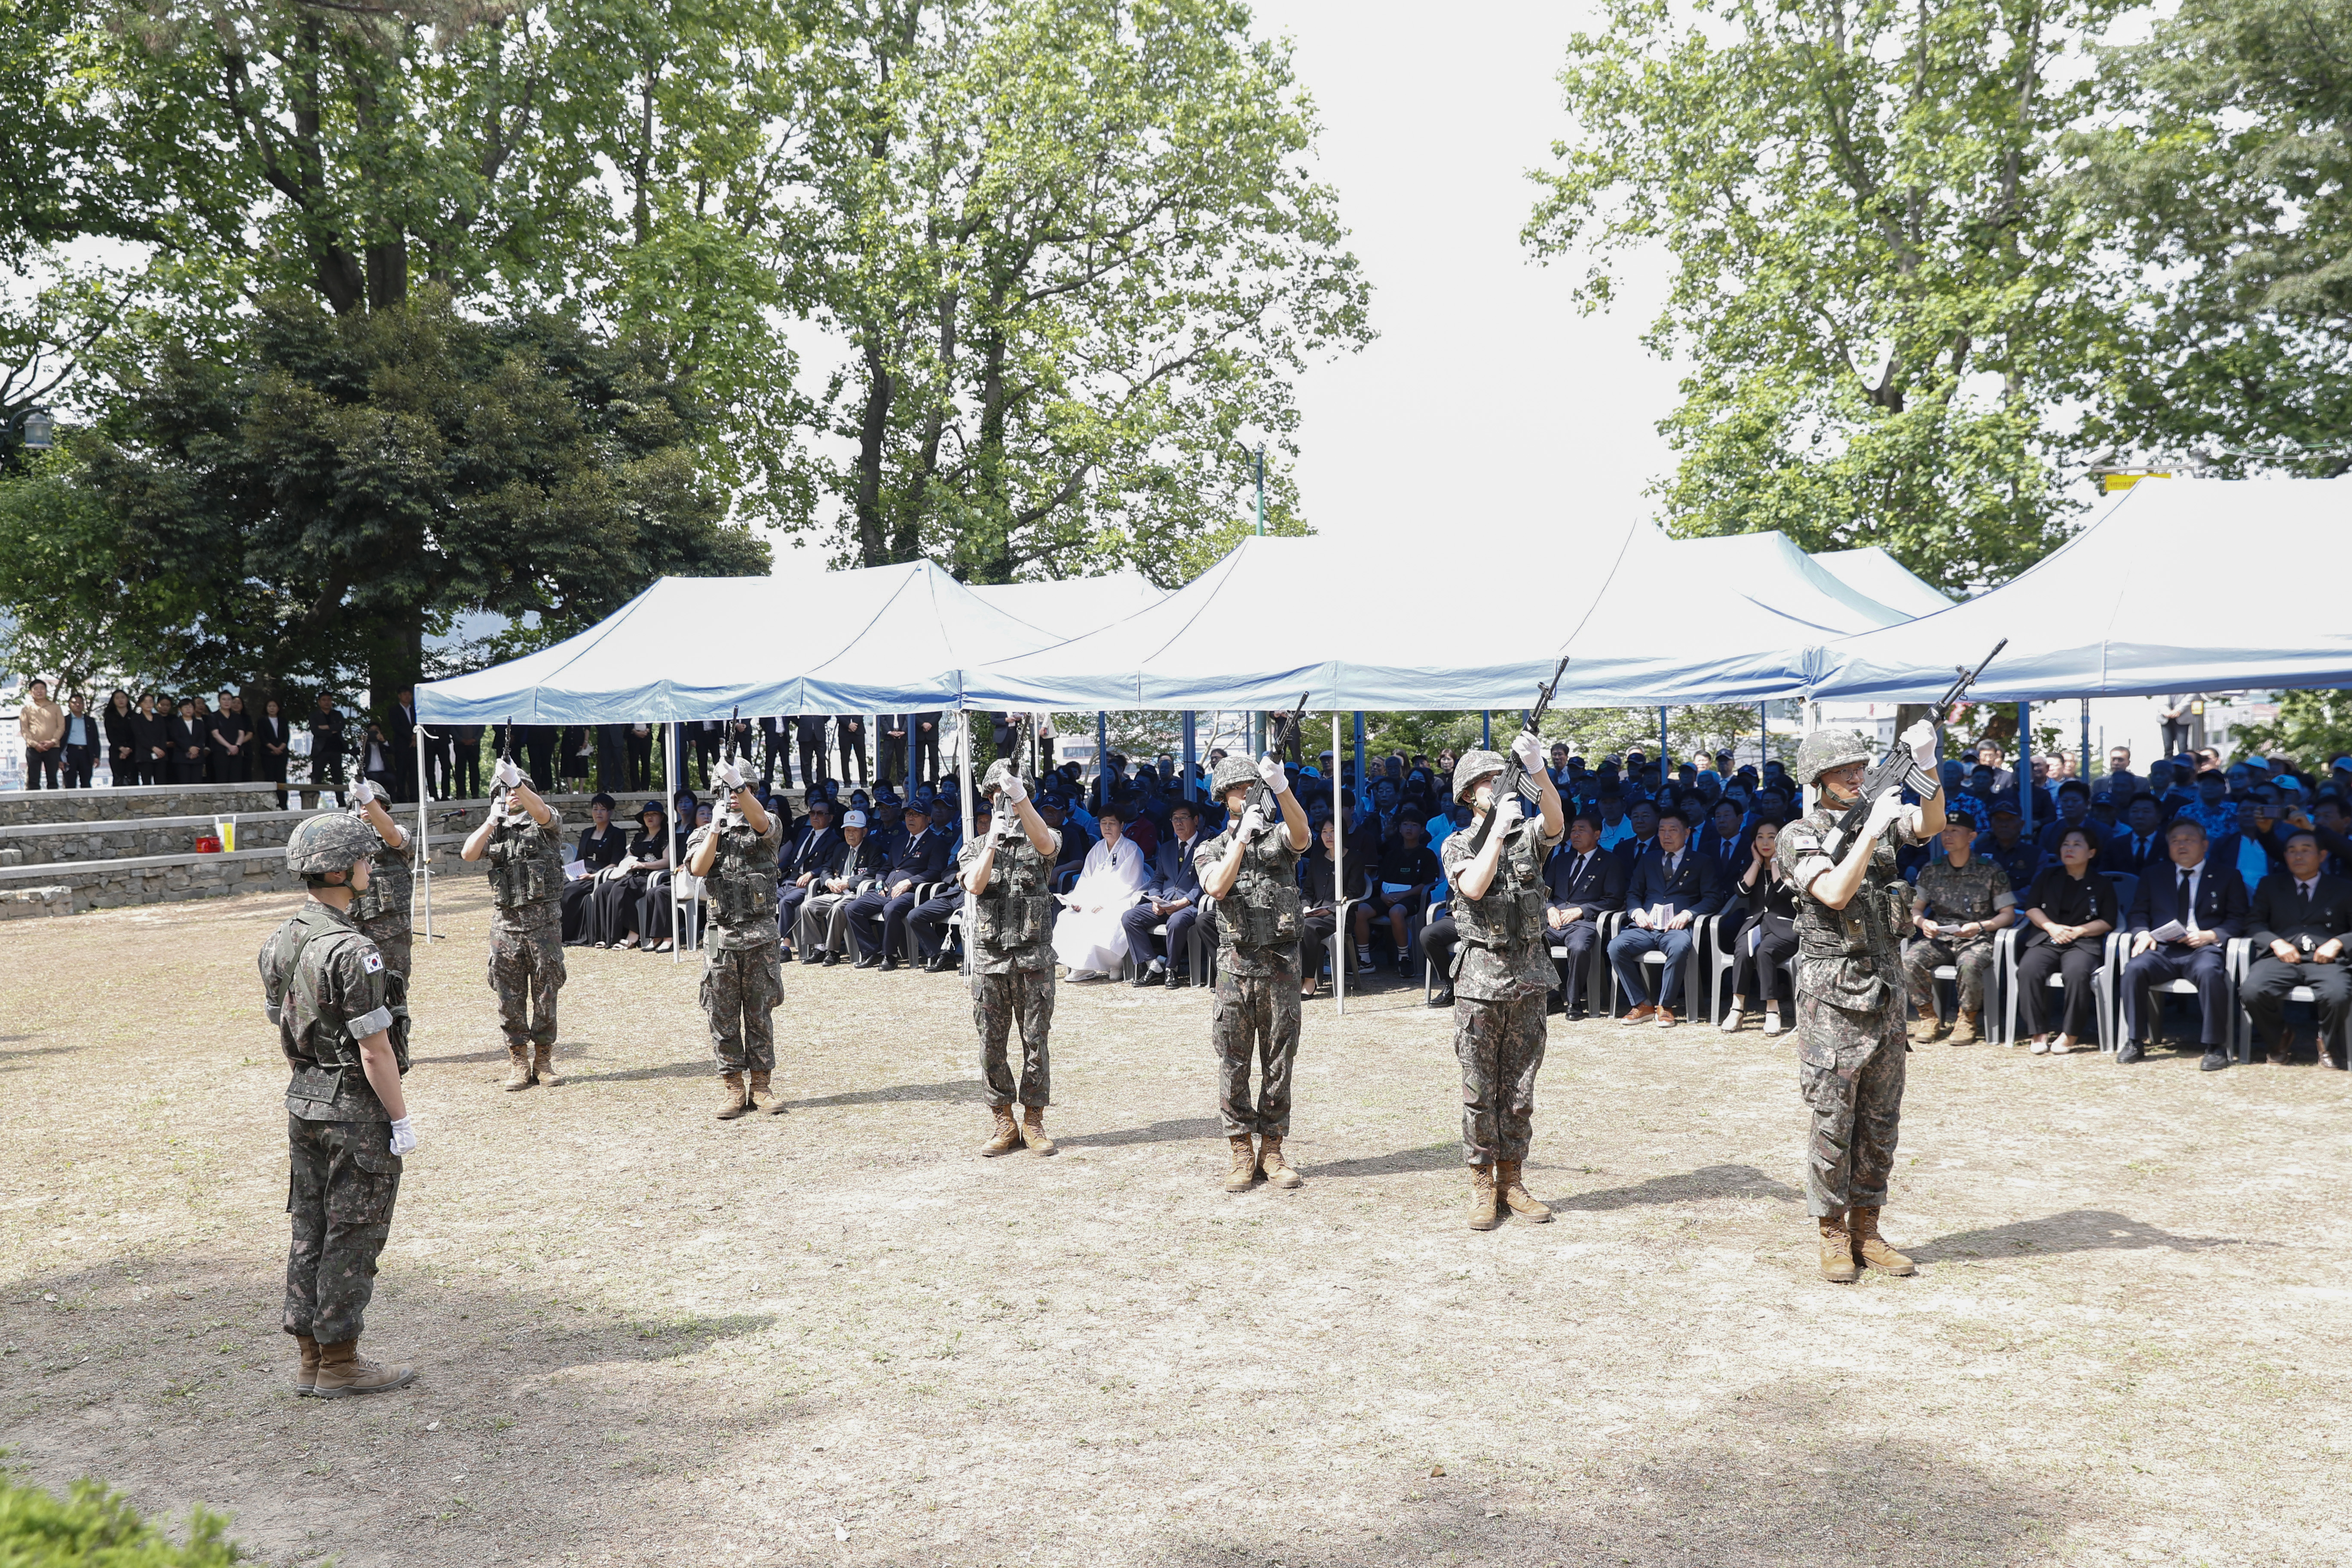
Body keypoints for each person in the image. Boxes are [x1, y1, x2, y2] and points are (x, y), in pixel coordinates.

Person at [1776, 722, 1944, 1282]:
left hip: (1886, 995)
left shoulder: (1881, 819)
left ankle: (1868, 1229)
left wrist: (1930, 765)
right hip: (1833, 1003)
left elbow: (1931, 823)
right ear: (1817, 778)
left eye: (1859, 768)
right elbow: (1833, 891)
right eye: (1843, 771)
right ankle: (1831, 1231)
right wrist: (1870, 831)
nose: (1855, 776)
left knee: (1881, 1119)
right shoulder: (1798, 834)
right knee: (1833, 1121)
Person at [260, 812, 418, 1399]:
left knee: (310, 1229)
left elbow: (288, 1025)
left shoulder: (280, 940)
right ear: (339, 870)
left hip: (305, 1100)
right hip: (354, 1109)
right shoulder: (355, 951)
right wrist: (399, 1120)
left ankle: (312, 1357)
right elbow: (375, 1051)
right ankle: (342, 1362)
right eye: (362, 858)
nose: (369, 865)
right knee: (353, 1236)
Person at [1440, 740, 1566, 1230]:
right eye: (1490, 781)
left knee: (1519, 1089)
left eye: (1503, 778)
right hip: (1480, 981)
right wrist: (1495, 833)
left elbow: (1554, 822)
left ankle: (1512, 1178)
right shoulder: (1458, 843)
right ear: (1470, 794)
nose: (1499, 786)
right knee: (1479, 1089)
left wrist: (1539, 770)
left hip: (1529, 978)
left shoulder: (1528, 835)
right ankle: (1481, 1181)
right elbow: (1472, 886)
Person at [1195, 753, 1314, 1191]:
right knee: (1234, 1061)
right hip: (1237, 969)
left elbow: (1301, 835)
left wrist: (1281, 788)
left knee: (1280, 1060)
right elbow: (1216, 886)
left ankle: (1274, 1149)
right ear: (1223, 798)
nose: (1246, 794)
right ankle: (1241, 1150)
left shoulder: (1278, 838)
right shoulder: (1211, 848)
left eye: (1252, 787)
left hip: (1281, 968)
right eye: (1238, 790)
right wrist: (1241, 841)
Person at [962, 758, 1063, 1157]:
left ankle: (1034, 1120)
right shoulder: (974, 845)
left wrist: (1021, 801)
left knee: (1035, 1042)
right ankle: (1003, 1120)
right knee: (992, 1044)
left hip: (1034, 961)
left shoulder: (1042, 834)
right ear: (988, 800)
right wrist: (991, 843)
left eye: (1009, 795)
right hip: (991, 962)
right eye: (997, 796)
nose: (1002, 802)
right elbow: (974, 884)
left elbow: (1048, 846)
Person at [685, 756, 786, 1118]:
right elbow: (698, 868)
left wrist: (739, 786)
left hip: (760, 936)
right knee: (722, 1014)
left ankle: (761, 1085)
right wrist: (714, 828)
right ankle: (733, 1087)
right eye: (725, 790)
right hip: (721, 936)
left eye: (740, 790)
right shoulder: (703, 832)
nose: (732, 797)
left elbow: (761, 823)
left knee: (759, 1013)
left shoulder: (767, 822)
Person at [460, 756, 567, 1090]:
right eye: (504, 791)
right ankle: (518, 1061)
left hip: (544, 928)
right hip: (506, 928)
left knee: (546, 993)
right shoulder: (497, 830)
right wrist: (493, 820)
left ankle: (544, 1059)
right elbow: (468, 853)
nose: (512, 795)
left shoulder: (545, 824)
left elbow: (545, 815)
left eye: (518, 789)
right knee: (508, 997)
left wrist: (517, 781)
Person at [2119, 819, 2248, 1069]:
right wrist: (2142, 933)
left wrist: (2213, 935)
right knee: (2134, 969)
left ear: (2205, 845)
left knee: (2210, 973)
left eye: (2189, 839)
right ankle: (2135, 1040)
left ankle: (2215, 1047)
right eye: (2175, 840)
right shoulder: (2153, 874)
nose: (2181, 845)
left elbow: (2239, 917)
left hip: (2203, 948)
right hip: (2162, 949)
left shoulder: (2227, 876)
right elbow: (2138, 913)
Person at [1898, 808, 2012, 1046]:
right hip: (1941, 937)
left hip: (1977, 939)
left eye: (1955, 831)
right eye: (1944, 831)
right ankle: (1928, 1017)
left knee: (1969, 964)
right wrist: (1923, 922)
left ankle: (1967, 1019)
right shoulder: (1932, 869)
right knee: (1909, 959)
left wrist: (1980, 926)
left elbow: (2007, 916)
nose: (1947, 836)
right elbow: (1916, 909)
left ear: (1971, 837)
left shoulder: (1990, 870)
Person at [2239, 830, 2352, 1068]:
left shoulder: (2343, 888)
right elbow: (2254, 922)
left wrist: (2339, 942)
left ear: (2322, 855)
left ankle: (2327, 1043)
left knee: (2338, 993)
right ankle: (2279, 1037)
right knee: (2252, 991)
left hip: (2325, 960)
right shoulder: (2270, 885)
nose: (2298, 856)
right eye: (2291, 851)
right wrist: (2275, 942)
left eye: (2305, 850)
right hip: (2280, 957)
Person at [1607, 806, 1724, 1027]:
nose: (1666, 836)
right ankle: (1641, 1004)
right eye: (1662, 830)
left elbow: (1713, 898)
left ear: (1687, 833)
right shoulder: (1648, 859)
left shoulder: (1701, 861)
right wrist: (1637, 912)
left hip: (1676, 928)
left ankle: (1666, 1006)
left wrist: (1688, 914)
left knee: (1680, 947)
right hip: (1646, 927)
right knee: (1615, 947)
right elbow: (1633, 893)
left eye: (1673, 830)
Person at [2013, 827, 2117, 1055]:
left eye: (2077, 845)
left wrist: (2078, 931)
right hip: (2047, 937)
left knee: (2077, 973)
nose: (2069, 849)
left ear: (2091, 853)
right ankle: (2038, 1031)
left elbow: (2108, 921)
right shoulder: (2047, 876)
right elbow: (2031, 908)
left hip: (2083, 942)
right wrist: (2051, 927)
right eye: (2065, 844)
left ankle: (2070, 1033)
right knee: (2028, 969)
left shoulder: (2101, 883)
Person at [1720, 819, 1805, 1036]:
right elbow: (1741, 891)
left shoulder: (1792, 866)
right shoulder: (1754, 866)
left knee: (1764, 951)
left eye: (1772, 837)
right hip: (1755, 925)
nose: (1765, 842)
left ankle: (1772, 1010)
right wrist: (1757, 863)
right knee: (1741, 950)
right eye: (1760, 837)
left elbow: (1782, 891)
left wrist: (1775, 860)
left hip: (1784, 928)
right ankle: (1737, 1008)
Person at [846, 799, 952, 968]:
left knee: (891, 909)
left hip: (915, 892)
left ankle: (890, 955)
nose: (911, 818)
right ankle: (871, 952)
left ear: (928, 819)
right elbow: (886, 867)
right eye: (908, 814)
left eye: (916, 815)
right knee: (852, 909)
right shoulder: (900, 840)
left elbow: (936, 872)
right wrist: (880, 882)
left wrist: (910, 882)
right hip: (887, 890)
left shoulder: (936, 842)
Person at [1051, 803, 1150, 980]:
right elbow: (1086, 878)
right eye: (1104, 823)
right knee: (1068, 917)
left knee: (1107, 918)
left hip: (1120, 900)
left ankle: (1114, 964)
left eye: (1112, 823)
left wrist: (1105, 903)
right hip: (1094, 900)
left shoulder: (1131, 849)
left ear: (1122, 825)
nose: (1107, 827)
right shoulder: (1097, 848)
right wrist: (1079, 900)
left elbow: (1129, 884)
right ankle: (1081, 965)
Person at [1542, 813, 1623, 1020]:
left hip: (1585, 923)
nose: (1575, 834)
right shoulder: (1561, 859)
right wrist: (1550, 908)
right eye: (1574, 830)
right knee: (1533, 941)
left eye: (1582, 830)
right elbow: (1542, 892)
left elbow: (1614, 899)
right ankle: (1551, 995)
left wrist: (1582, 910)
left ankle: (1575, 1001)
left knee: (1578, 947)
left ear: (1597, 834)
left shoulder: (1610, 862)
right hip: (1554, 921)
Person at [1125, 800, 1207, 988]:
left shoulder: (1206, 847)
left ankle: (1172, 968)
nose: (1178, 823)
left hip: (1191, 905)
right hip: (1164, 903)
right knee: (1130, 917)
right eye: (1175, 819)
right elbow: (1157, 878)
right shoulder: (1167, 848)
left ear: (1195, 820)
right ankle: (1153, 965)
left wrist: (1184, 902)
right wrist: (1155, 899)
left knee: (1176, 921)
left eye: (1183, 818)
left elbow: (1205, 881)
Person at [345, 780, 419, 982]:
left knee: (394, 991)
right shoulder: (345, 839)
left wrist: (368, 799)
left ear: (384, 808)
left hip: (392, 931)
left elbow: (393, 836)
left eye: (374, 804)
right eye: (362, 804)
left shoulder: (396, 833)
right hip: (353, 929)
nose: (367, 808)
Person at [796, 808, 886, 964]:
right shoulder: (840, 847)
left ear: (864, 832)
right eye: (847, 830)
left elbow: (874, 872)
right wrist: (829, 881)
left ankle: (834, 952)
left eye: (855, 830)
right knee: (807, 906)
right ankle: (820, 947)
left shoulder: (874, 848)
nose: (850, 834)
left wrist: (849, 883)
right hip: (835, 892)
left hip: (856, 894)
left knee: (839, 909)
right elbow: (826, 868)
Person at [589, 801, 674, 951]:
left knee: (621, 889)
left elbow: (667, 861)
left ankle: (633, 934)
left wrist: (644, 865)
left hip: (650, 876)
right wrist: (623, 867)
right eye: (647, 815)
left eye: (654, 814)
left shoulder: (665, 836)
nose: (650, 817)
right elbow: (628, 857)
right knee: (604, 889)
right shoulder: (639, 837)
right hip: (633, 875)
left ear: (662, 817)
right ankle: (605, 936)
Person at [1301, 816, 1368, 1000]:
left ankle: (1308, 980)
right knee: (1294, 924)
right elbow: (1307, 890)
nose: (1328, 836)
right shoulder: (1316, 858)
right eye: (1324, 832)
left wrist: (1330, 909)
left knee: (1308, 927)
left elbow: (1354, 892)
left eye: (1333, 831)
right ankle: (1291, 978)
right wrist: (1306, 907)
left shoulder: (1355, 858)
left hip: (1339, 915)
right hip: (1313, 914)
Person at [775, 798, 839, 958]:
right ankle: (766, 942)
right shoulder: (804, 832)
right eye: (812, 813)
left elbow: (829, 865)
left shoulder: (834, 839)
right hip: (790, 880)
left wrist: (812, 874)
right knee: (766, 898)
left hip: (809, 885)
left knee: (786, 903)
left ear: (831, 817)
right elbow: (792, 857)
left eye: (820, 813)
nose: (815, 816)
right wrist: (774, 872)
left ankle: (785, 947)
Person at [561, 794, 629, 944]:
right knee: (560, 888)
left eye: (603, 809)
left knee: (569, 893)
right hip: (581, 872)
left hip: (601, 874)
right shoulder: (586, 832)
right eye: (595, 809)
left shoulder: (617, 834)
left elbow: (616, 863)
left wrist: (594, 876)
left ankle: (568, 935)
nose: (598, 813)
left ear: (610, 812)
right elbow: (579, 858)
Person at [17, 677, 64, 789]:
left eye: (42, 689)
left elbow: (61, 727)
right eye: (36, 689)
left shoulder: (55, 707)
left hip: (53, 748)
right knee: (33, 779)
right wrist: (35, 744)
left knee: (53, 779)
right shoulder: (27, 709)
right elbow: (25, 730)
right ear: (31, 692)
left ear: (46, 691)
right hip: (34, 749)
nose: (39, 691)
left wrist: (52, 742)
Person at [309, 694, 348, 803]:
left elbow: (341, 726)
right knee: (317, 777)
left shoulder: (337, 714)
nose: (327, 702)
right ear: (319, 702)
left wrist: (325, 727)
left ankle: (341, 802)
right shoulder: (314, 715)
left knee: (338, 777)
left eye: (329, 700)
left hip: (336, 749)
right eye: (324, 700)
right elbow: (316, 730)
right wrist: (332, 730)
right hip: (321, 750)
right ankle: (313, 801)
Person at [255, 697, 293, 806]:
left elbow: (286, 736)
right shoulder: (262, 721)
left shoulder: (283, 721)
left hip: (282, 754)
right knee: (270, 778)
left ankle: (283, 804)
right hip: (268, 753)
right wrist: (273, 748)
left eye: (274, 706)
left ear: (278, 708)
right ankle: (271, 803)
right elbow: (263, 737)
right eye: (270, 706)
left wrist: (281, 748)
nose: (272, 709)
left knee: (282, 778)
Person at [58, 693, 99, 788]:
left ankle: (87, 802)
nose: (78, 705)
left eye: (80, 703)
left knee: (86, 781)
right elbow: (59, 740)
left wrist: (97, 756)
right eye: (74, 703)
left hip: (86, 753)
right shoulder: (64, 720)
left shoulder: (90, 721)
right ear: (69, 705)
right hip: (70, 753)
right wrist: (59, 759)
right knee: (70, 781)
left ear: (84, 705)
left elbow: (95, 739)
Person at [131, 691, 171, 786]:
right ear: (140, 704)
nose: (149, 704)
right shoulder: (136, 718)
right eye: (146, 702)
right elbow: (139, 736)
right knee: (147, 781)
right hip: (145, 754)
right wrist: (153, 748)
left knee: (161, 781)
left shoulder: (158, 717)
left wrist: (160, 749)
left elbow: (163, 735)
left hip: (161, 754)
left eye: (151, 702)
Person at [168, 697, 208, 784]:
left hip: (197, 757)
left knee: (197, 781)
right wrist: (189, 748)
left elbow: (202, 738)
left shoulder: (199, 723)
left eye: (191, 707)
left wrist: (196, 750)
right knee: (184, 782)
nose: (188, 709)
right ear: (180, 709)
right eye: (186, 707)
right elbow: (176, 738)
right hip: (181, 757)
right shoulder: (176, 722)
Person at [103, 689, 138, 787]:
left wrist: (129, 749)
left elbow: (137, 735)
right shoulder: (110, 717)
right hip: (116, 751)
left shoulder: (134, 716)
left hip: (133, 751)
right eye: (117, 698)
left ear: (127, 699)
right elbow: (110, 736)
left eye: (123, 697)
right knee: (119, 778)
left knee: (133, 777)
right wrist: (121, 749)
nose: (121, 700)